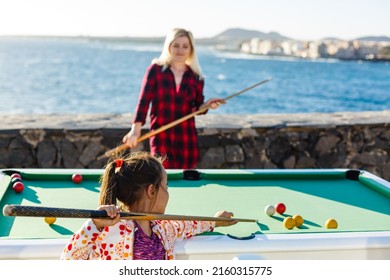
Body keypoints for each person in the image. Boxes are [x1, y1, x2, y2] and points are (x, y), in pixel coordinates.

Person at [60, 151, 237, 260]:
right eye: (165, 187)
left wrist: (214, 222)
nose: (168, 193)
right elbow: (68, 261)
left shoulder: (163, 229)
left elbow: (187, 225)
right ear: (151, 191)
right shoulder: (110, 229)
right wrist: (95, 225)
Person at [122, 28, 225, 169]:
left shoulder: (196, 77)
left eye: (185, 46)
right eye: (176, 45)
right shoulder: (155, 70)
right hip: (161, 138)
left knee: (186, 185)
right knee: (162, 182)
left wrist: (207, 105)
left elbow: (197, 108)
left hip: (186, 139)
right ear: (168, 46)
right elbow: (143, 101)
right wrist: (135, 130)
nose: (180, 50)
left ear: (191, 50)